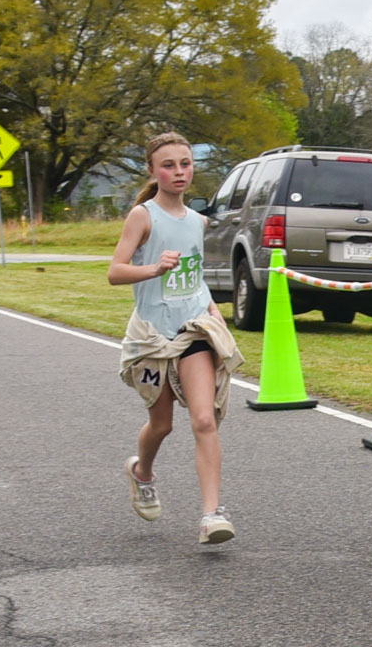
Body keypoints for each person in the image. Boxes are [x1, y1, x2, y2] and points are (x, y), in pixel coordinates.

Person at [109, 131, 243, 545]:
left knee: (204, 419)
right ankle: (142, 473)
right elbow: (116, 271)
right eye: (168, 165)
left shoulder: (198, 220)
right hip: (152, 336)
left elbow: (195, 278)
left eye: (185, 163)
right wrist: (153, 269)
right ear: (152, 170)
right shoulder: (143, 216)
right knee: (162, 424)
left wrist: (214, 317)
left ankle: (211, 515)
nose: (178, 171)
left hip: (193, 332)